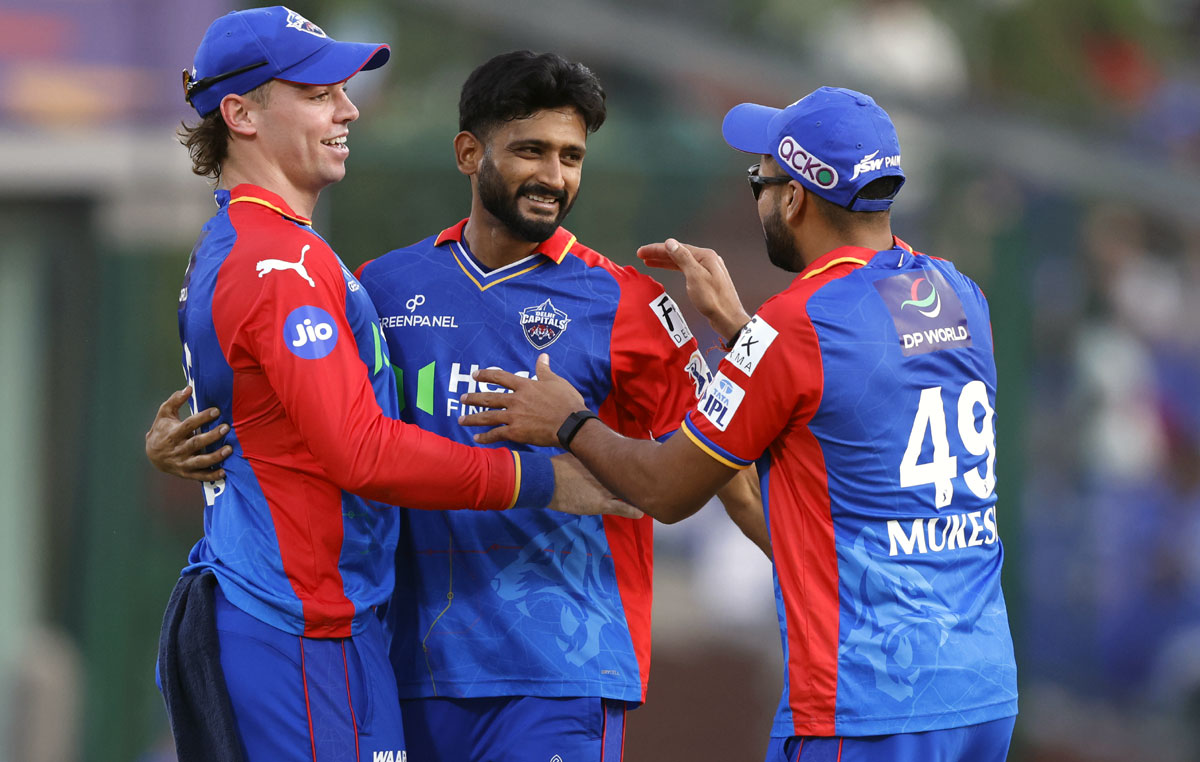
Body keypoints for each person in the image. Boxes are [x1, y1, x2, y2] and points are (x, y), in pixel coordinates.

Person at [150, 50, 763, 762]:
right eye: (531, 150)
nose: (554, 177)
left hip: (561, 668)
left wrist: (814, 574)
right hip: (404, 660)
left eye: (572, 156)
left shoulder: (629, 303)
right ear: (469, 153)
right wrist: (181, 437)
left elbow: (724, 468)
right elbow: (297, 414)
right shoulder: (377, 287)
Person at [459, 86, 1019, 760]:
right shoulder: (961, 294)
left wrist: (568, 422)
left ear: (795, 197)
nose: (758, 198)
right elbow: (848, 393)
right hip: (983, 690)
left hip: (868, 703)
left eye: (760, 179)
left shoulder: (795, 325)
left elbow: (669, 491)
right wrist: (738, 332)